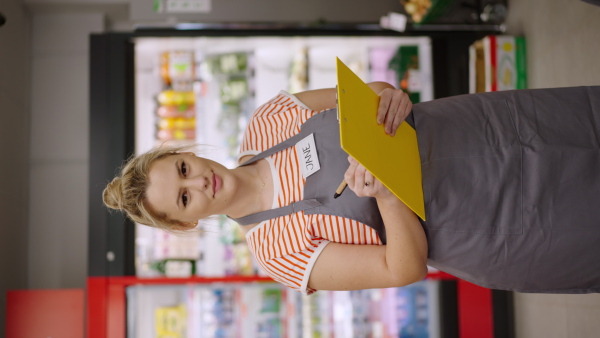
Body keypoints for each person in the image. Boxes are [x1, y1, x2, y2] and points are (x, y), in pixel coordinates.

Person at [104, 82, 600, 295]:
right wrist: (385, 196)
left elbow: (372, 94)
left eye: (185, 168)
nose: (199, 181)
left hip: (479, 128)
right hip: (498, 222)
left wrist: (389, 100)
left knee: (584, 123)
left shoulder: (267, 121)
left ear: (187, 152)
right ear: (187, 221)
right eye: (185, 197)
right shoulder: (277, 252)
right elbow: (401, 268)